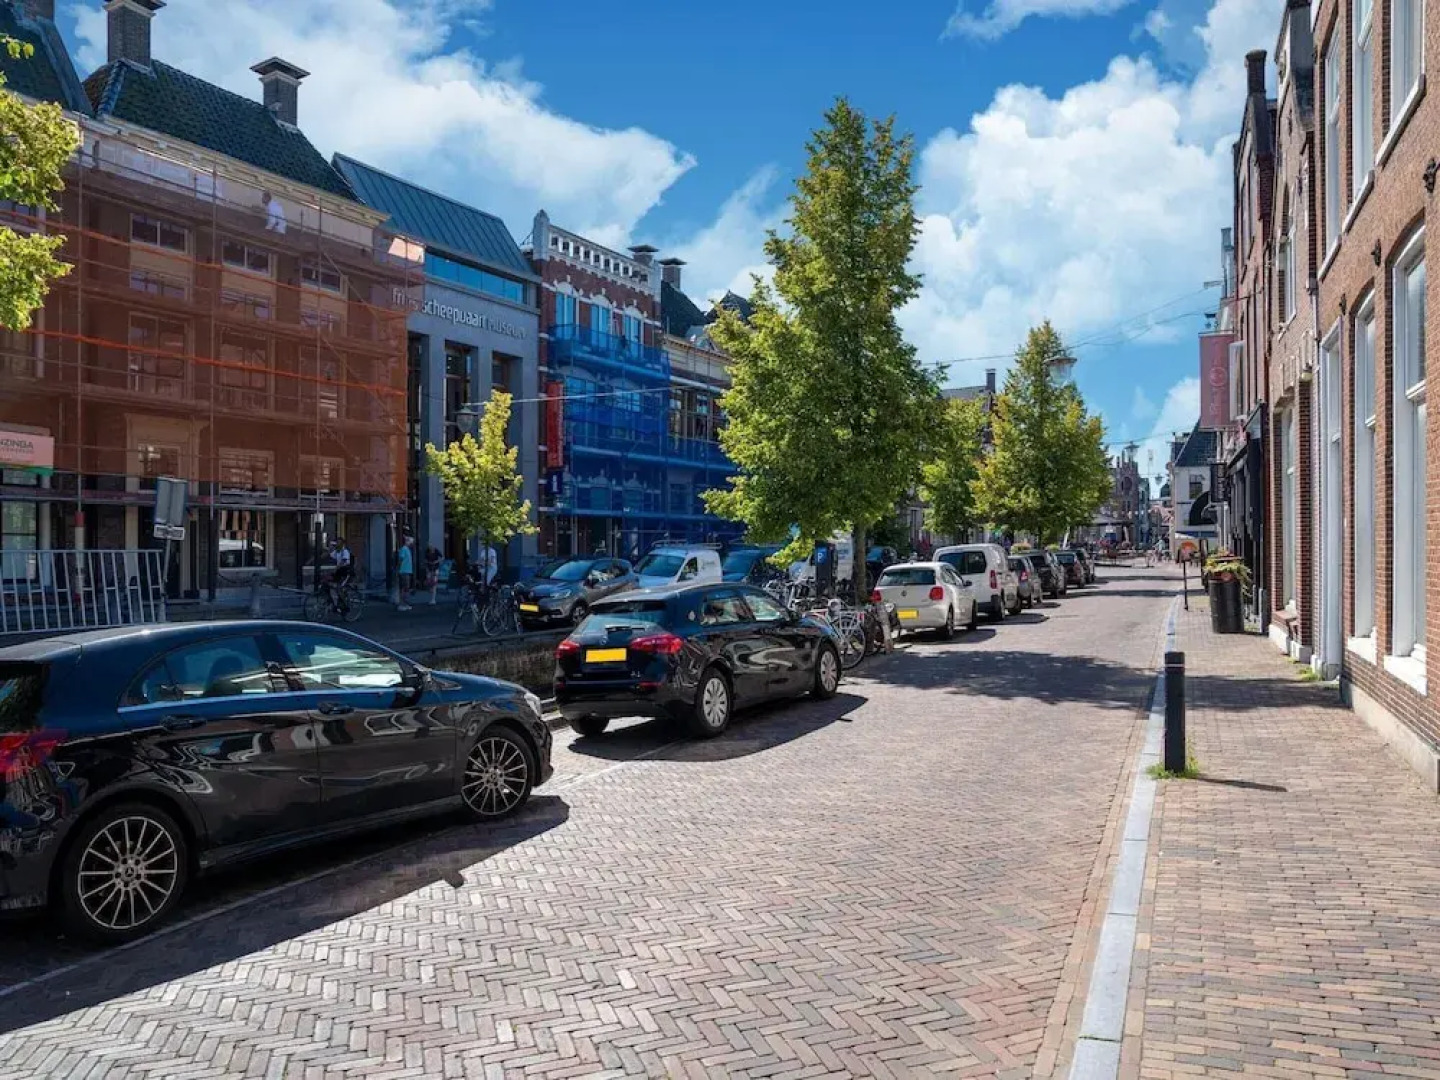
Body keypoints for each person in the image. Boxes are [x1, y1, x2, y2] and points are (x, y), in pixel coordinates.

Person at [329, 537, 354, 613]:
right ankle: (336, 604)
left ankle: (345, 605)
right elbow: (330, 555)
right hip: (339, 571)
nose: (337, 544)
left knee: (339, 588)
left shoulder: (345, 551)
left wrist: (336, 568)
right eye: (337, 542)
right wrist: (330, 547)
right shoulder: (337, 551)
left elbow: (343, 561)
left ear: (342, 544)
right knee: (330, 584)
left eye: (339, 542)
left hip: (346, 572)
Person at [396, 533, 415, 611]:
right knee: (404, 588)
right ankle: (402, 604)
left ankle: (405, 603)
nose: (412, 544)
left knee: (406, 588)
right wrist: (399, 569)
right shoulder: (404, 549)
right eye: (411, 542)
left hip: (407, 571)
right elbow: (400, 560)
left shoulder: (407, 549)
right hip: (404, 571)